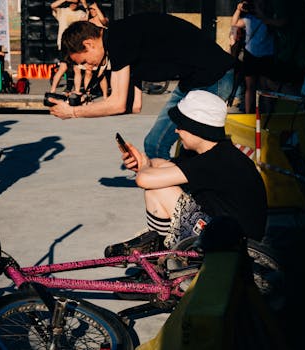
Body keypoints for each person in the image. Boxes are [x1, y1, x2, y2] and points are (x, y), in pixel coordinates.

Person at [49, 13, 235, 159]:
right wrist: (82, 105)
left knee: (198, 148)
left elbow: (117, 104)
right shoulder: (123, 41)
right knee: (155, 144)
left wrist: (73, 112)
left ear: (88, 44)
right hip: (192, 82)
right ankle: (180, 198)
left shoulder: (117, 39)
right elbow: (134, 105)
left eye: (85, 61)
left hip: (213, 76)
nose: (89, 66)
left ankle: (204, 198)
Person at [104, 90, 267, 257]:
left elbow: (144, 180)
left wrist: (145, 169)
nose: (176, 131)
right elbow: (162, 166)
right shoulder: (212, 152)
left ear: (196, 129)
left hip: (237, 245)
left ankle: (159, 254)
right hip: (223, 230)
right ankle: (157, 248)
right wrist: (142, 162)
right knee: (158, 179)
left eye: (180, 126)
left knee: (160, 189)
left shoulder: (216, 161)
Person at [231, 0, 275, 114]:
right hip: (251, 54)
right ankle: (248, 113)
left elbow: (281, 23)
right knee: (250, 87)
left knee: (264, 86)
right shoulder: (249, 18)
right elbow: (234, 24)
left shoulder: (270, 18)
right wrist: (238, 10)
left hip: (266, 55)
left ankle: (266, 114)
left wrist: (263, 15)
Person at [50, 0, 89, 95]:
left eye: (76, 3)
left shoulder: (80, 13)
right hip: (64, 44)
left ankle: (77, 91)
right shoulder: (62, 11)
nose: (73, 4)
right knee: (63, 68)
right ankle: (52, 90)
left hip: (75, 45)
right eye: (72, 2)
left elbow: (87, 19)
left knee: (77, 68)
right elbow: (52, 5)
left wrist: (84, 4)